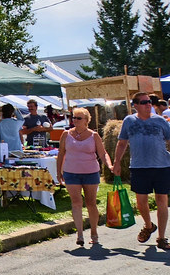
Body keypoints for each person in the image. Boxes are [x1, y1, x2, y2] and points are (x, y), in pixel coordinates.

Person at [113, 92, 170, 250]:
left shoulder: (160, 120)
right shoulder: (129, 121)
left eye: (150, 101)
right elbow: (122, 143)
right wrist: (117, 163)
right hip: (139, 167)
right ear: (135, 105)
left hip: (162, 166)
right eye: (144, 102)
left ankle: (162, 237)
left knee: (161, 200)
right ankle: (148, 225)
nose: (148, 104)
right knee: (141, 202)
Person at [57, 108, 113, 246]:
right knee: (76, 203)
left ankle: (94, 233)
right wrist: (59, 172)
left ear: (87, 121)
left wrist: (110, 166)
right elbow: (61, 154)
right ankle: (80, 234)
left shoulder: (94, 136)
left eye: (78, 118)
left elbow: (102, 153)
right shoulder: (66, 134)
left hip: (91, 172)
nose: (74, 120)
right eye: (73, 118)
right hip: (71, 172)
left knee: (91, 203)